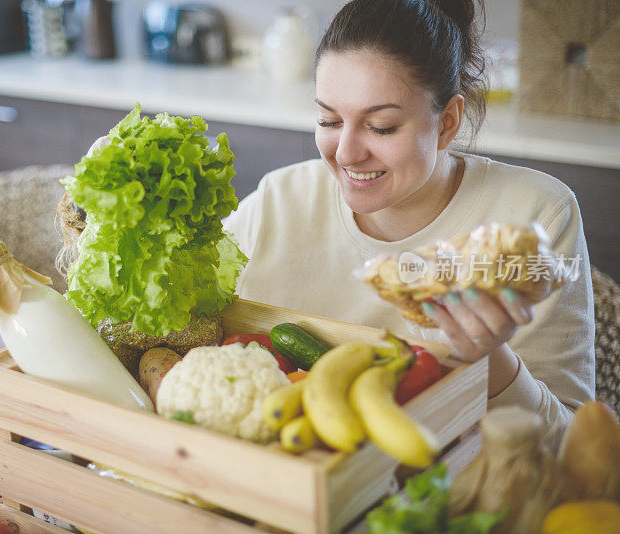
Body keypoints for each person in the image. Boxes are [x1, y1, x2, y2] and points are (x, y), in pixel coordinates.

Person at [222, 0, 595, 428]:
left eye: (381, 127)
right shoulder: (280, 199)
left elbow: (575, 450)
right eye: (328, 119)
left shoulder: (538, 216)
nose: (345, 153)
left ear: (447, 122)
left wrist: (492, 359)